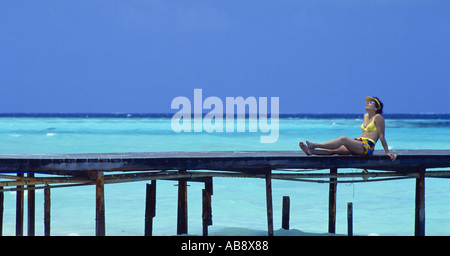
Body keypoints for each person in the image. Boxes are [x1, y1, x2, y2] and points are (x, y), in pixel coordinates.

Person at [299, 96, 397, 161]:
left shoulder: (378, 117)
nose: (367, 103)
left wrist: (387, 152)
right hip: (359, 142)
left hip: (367, 147)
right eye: (367, 102)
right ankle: (310, 151)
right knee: (335, 150)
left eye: (371, 102)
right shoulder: (365, 116)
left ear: (376, 108)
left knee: (343, 139)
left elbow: (381, 136)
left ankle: (314, 145)